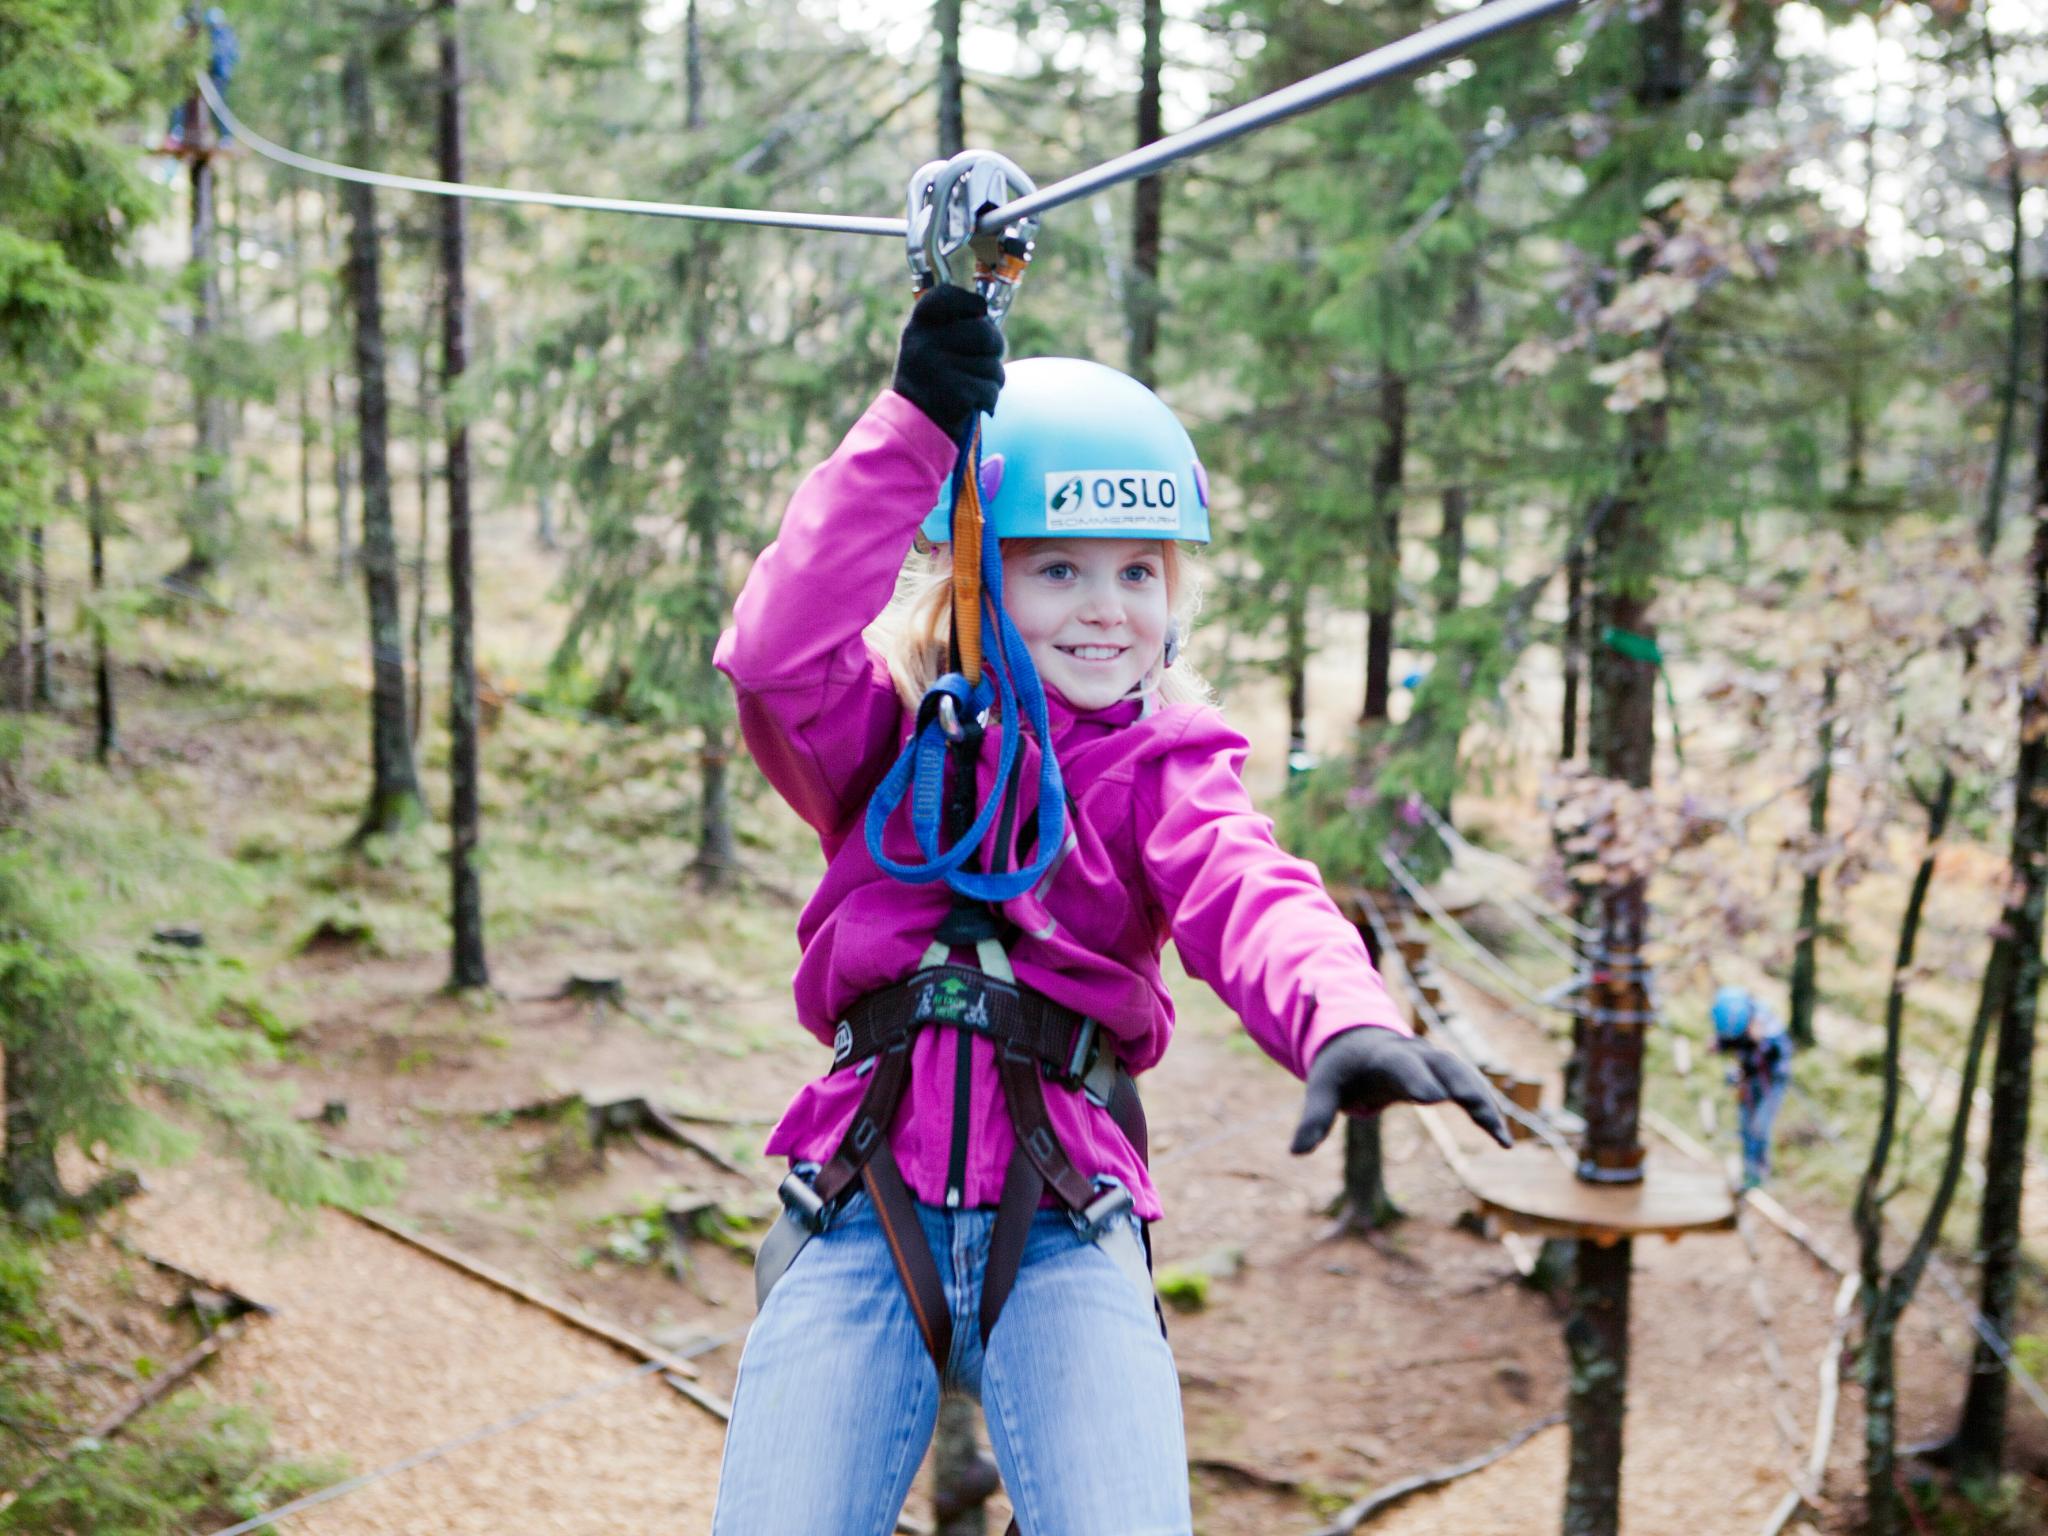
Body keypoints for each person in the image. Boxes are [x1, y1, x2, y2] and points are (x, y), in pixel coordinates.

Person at [710, 285, 1511, 1536]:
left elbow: (1248, 885)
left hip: (1063, 1223)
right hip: (865, 1202)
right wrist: (914, 427)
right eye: (1058, 569)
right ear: (976, 580)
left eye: (1138, 571)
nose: (1106, 607)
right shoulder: (881, 743)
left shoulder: (1161, 770)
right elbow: (772, 651)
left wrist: (1341, 1017)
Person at [1712, 985, 1793, 1190]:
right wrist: (1720, 1046)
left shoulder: (1768, 1024)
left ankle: (1760, 1174)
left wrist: (1761, 1041)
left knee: (1759, 1126)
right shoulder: (1729, 1017)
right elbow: (1730, 1042)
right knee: (1746, 1125)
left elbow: (1778, 1054)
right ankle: (1748, 1173)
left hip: (1772, 1080)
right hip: (1747, 1079)